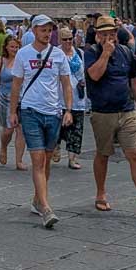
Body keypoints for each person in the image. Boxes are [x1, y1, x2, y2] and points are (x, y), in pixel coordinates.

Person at [84, 17, 136, 220]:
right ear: (97, 35)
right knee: (103, 154)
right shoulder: (91, 53)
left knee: (135, 154)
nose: (109, 37)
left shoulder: (126, 52)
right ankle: (100, 193)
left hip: (127, 110)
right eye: (104, 34)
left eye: (112, 33)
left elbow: (133, 81)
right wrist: (105, 54)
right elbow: (94, 76)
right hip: (103, 112)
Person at [7, 15, 72, 229]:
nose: (47, 34)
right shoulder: (24, 54)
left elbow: (66, 84)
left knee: (45, 161)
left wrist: (68, 110)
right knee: (37, 161)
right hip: (30, 111)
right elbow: (16, 85)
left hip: (53, 112)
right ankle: (46, 208)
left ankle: (37, 199)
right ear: (34, 30)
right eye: (43, 30)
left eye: (49, 30)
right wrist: (13, 111)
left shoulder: (59, 55)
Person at [0, 34, 27, 170]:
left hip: (22, 98)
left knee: (21, 130)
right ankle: (4, 146)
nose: (15, 49)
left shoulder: (22, 60)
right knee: (8, 130)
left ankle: (19, 160)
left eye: (17, 47)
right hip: (5, 98)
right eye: (12, 46)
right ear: (6, 47)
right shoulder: (0, 61)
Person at [56, 28, 86, 170]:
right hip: (59, 97)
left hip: (77, 97)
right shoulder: (55, 53)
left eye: (70, 39)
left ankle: (72, 158)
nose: (68, 42)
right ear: (60, 40)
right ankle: (56, 148)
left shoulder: (79, 53)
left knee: (76, 130)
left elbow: (84, 71)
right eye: (65, 39)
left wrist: (83, 81)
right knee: (58, 128)